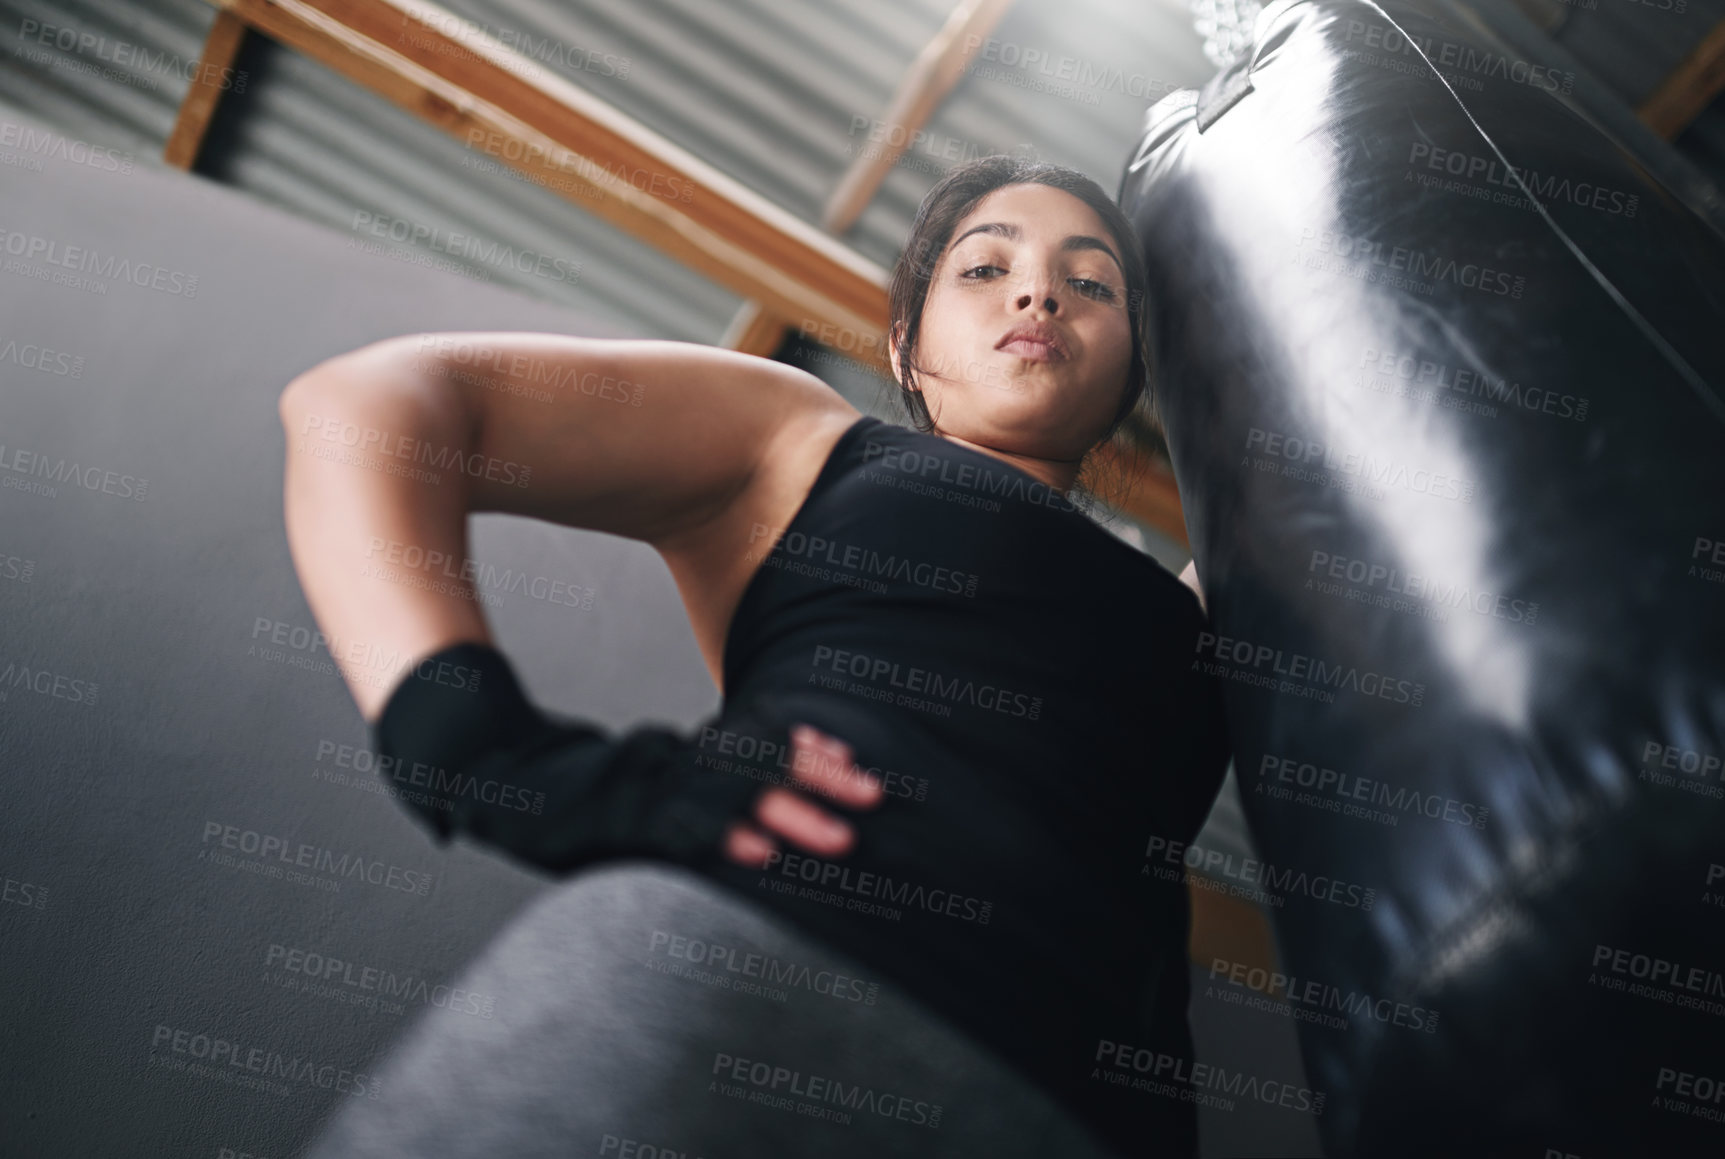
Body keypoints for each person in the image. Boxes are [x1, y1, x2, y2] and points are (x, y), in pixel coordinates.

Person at [281, 155, 1231, 1158]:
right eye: (985, 268)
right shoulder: (807, 440)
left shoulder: (1213, 602)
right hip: (734, 988)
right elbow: (365, 404)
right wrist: (469, 744)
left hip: (1080, 1110)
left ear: (1133, 368)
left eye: (1091, 283)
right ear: (907, 350)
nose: (1040, 290)